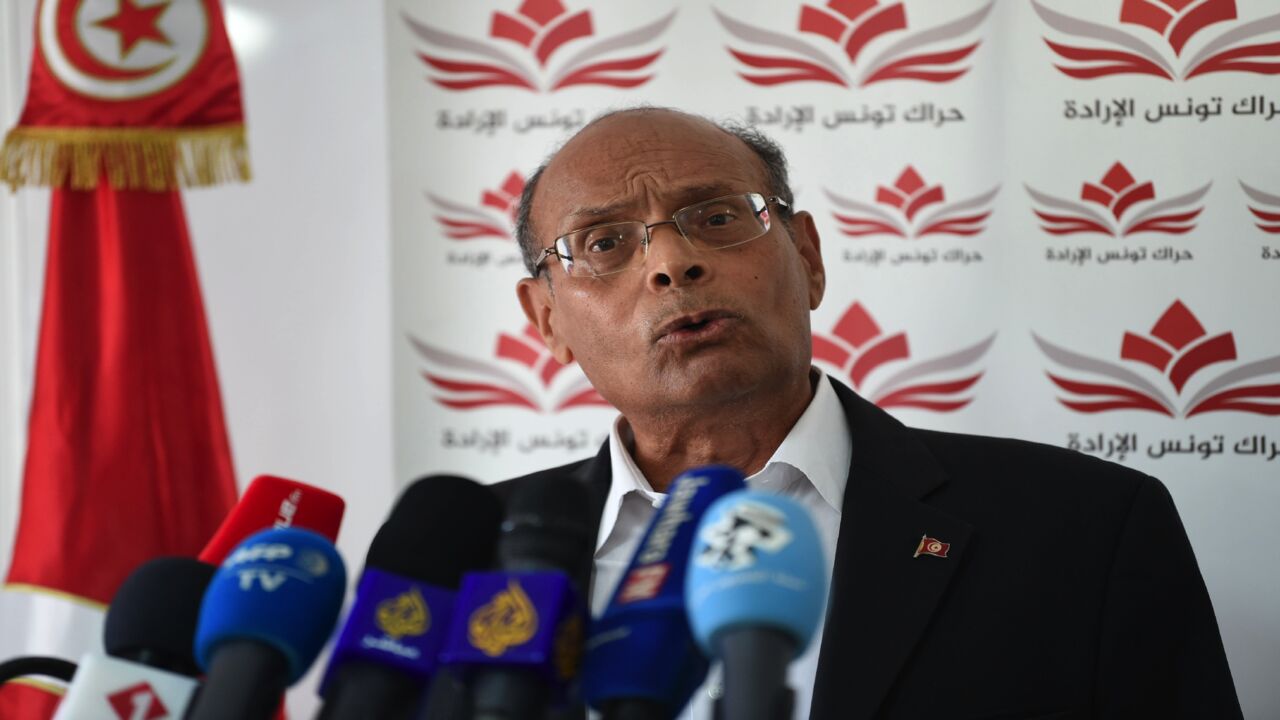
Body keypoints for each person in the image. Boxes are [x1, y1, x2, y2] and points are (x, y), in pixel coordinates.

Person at [499, 107, 1241, 719]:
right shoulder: (473, 560)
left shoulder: (1088, 527)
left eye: (718, 216)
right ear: (548, 321)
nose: (670, 264)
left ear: (808, 257)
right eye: (604, 243)